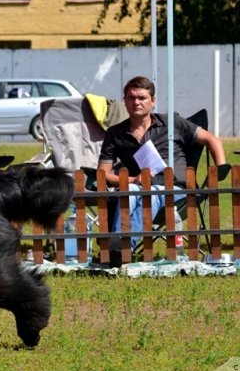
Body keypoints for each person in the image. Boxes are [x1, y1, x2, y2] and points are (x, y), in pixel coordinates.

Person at [97, 75, 226, 247]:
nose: (136, 102)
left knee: (150, 194)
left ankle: (121, 246)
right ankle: (120, 247)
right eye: (131, 97)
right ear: (125, 101)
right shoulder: (115, 133)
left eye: (142, 97)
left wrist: (221, 167)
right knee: (131, 192)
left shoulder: (172, 123)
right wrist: (132, 180)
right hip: (140, 186)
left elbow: (212, 139)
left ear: (153, 101)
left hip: (178, 189)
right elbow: (103, 173)